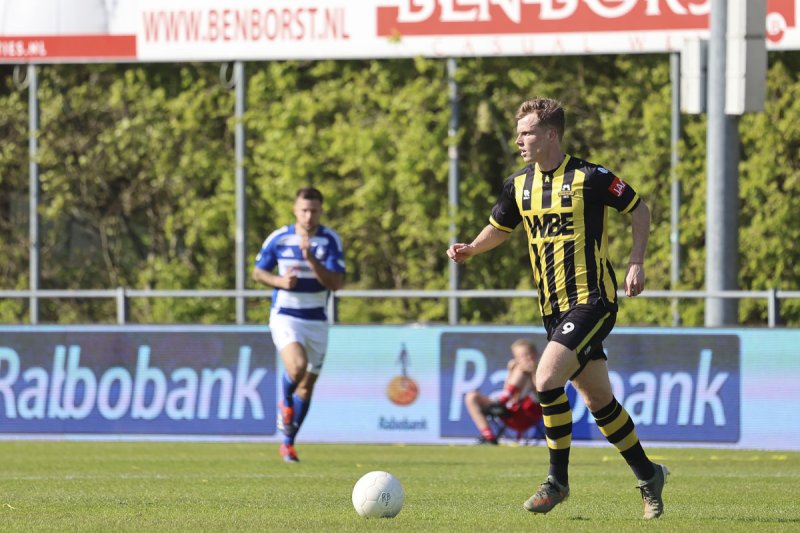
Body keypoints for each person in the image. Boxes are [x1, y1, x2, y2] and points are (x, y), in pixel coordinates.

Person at [446, 97, 668, 519]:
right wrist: (472, 248)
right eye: (518, 133)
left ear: (551, 134)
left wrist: (636, 261)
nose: (519, 140)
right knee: (599, 401)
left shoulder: (591, 177)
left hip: (593, 300)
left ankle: (557, 481)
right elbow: (499, 227)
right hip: (553, 311)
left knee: (546, 378)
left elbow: (639, 209)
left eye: (527, 132)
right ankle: (648, 474)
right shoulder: (518, 185)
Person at [253, 186, 345, 463]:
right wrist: (280, 281)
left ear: (321, 211)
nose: (308, 216)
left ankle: (288, 444)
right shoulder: (280, 238)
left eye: (313, 210)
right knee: (297, 366)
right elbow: (258, 272)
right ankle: (285, 402)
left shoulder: (330, 240)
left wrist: (311, 259)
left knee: (306, 386)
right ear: (295, 210)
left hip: (317, 320)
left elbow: (336, 283)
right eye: (304, 210)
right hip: (286, 316)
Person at [464, 339, 542, 445]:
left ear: (535, 354)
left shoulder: (543, 370)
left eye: (528, 354)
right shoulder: (516, 369)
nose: (526, 358)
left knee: (520, 370)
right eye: (521, 356)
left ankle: (501, 402)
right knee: (471, 396)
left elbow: (542, 394)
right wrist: (510, 372)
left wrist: (533, 372)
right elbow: (508, 391)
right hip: (509, 412)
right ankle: (489, 437)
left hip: (529, 414)